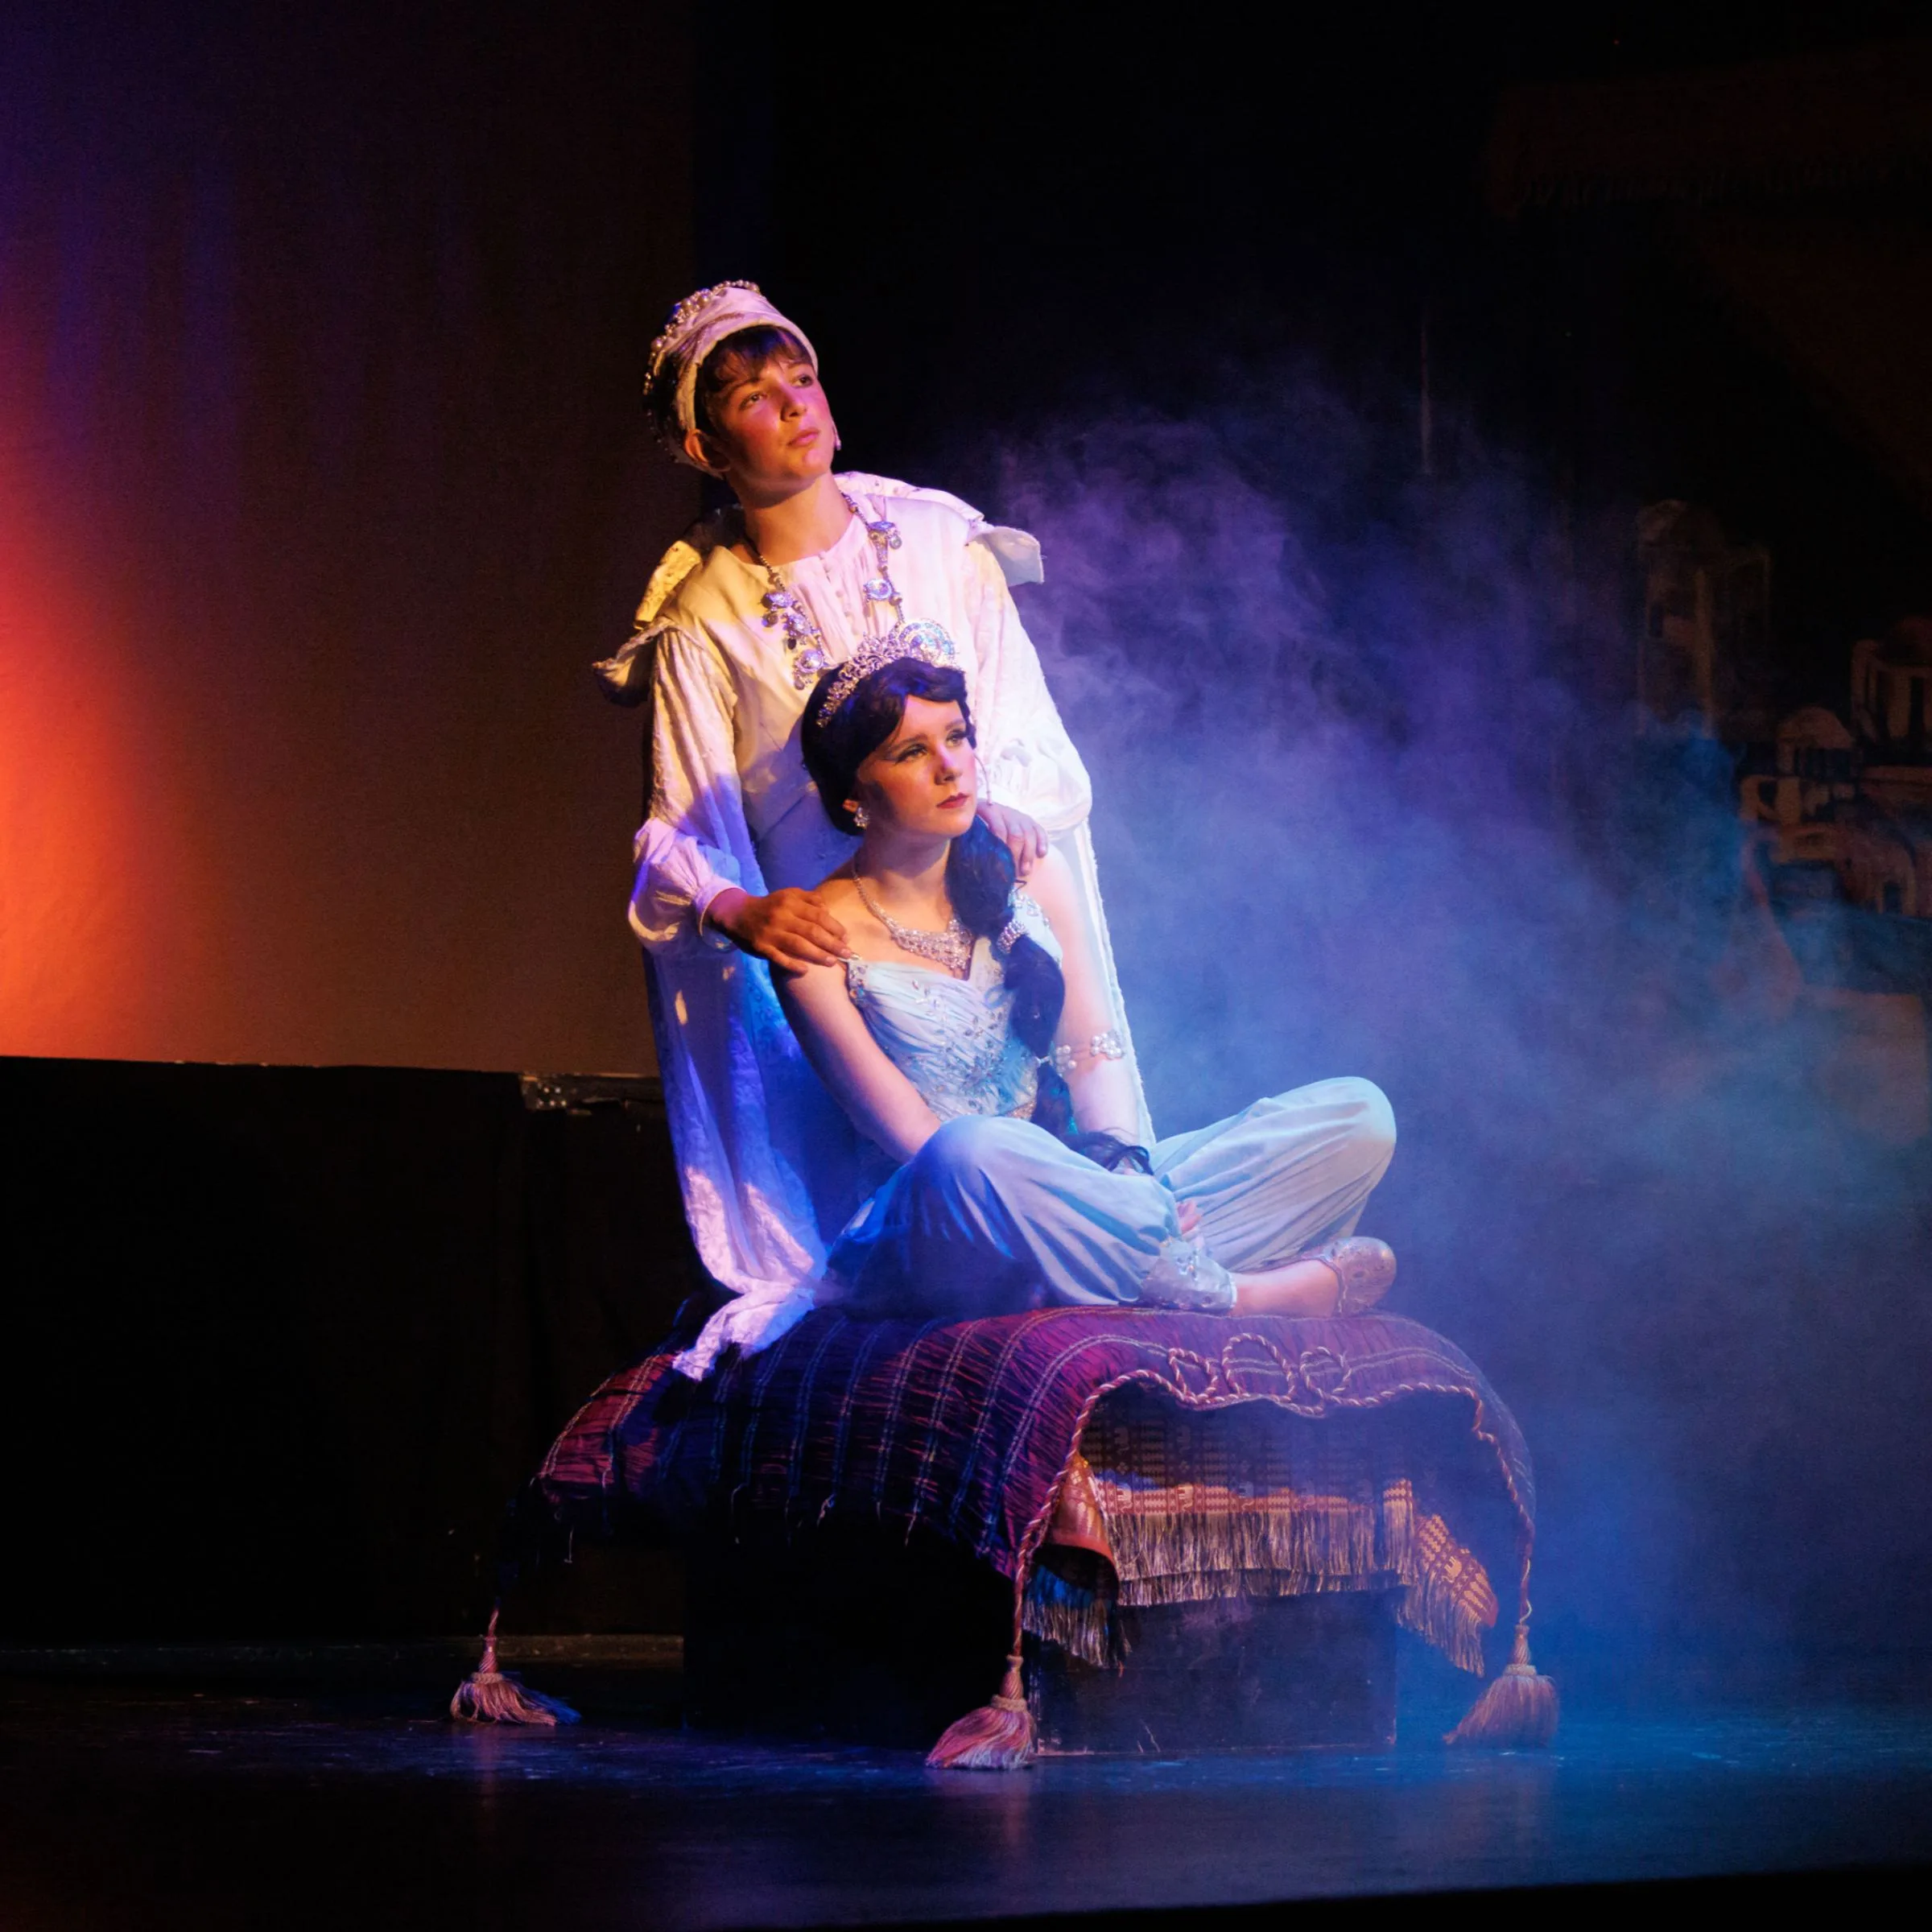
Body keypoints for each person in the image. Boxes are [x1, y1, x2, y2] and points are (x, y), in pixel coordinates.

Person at [597, 282, 1148, 1370]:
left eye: (802, 377)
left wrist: (994, 803)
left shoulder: (942, 536)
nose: (796, 405)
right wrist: (739, 907)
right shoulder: (703, 611)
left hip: (979, 900)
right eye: (758, 397)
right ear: (710, 444)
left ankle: (1122, 1170)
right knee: (929, 1162)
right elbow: (683, 820)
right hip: (842, 954)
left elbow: (1027, 731)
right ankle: (1049, 1249)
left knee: (1055, 901)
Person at [776, 637, 1398, 1326]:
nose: (951, 766)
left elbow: (1094, 1052)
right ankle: (1238, 1295)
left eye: (956, 736)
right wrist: (1113, 1206)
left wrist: (1128, 1178)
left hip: (1090, 1188)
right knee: (972, 1146)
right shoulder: (811, 936)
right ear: (853, 794)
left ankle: (1123, 1263)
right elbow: (914, 1135)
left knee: (1359, 1115)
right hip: (949, 1225)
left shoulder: (1029, 871)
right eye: (912, 752)